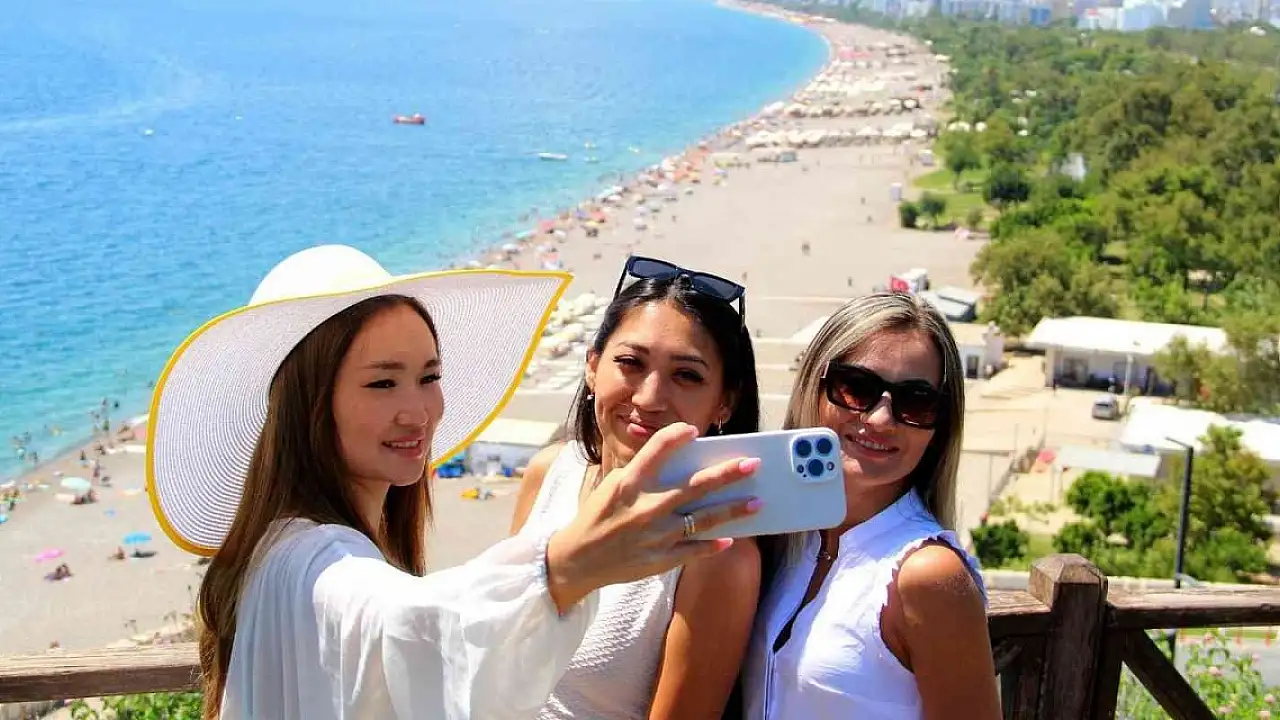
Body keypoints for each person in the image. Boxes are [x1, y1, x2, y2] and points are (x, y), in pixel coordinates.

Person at [146, 245, 763, 720]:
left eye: (429, 377)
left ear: (725, 400)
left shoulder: (288, 543)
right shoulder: (317, 557)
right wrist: (564, 568)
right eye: (382, 383)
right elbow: (410, 625)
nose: (417, 411)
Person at [511, 255, 762, 719]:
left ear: (724, 403)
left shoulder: (716, 554)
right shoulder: (549, 473)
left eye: (686, 375)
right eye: (630, 362)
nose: (649, 398)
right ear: (592, 366)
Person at [742, 292, 1000, 719]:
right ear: (814, 386)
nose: (880, 419)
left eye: (915, 401)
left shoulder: (926, 575)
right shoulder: (784, 536)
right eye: (856, 387)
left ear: (940, 424)